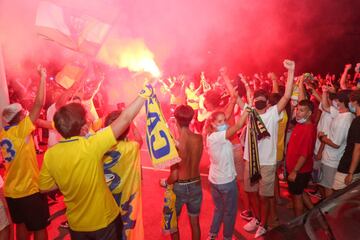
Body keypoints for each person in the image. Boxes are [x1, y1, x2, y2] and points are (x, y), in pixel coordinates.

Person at [38, 78, 154, 240]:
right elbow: (125, 118)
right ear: (82, 125)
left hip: (76, 224)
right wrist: (147, 90)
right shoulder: (92, 145)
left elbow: (44, 188)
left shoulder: (50, 154)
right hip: (104, 221)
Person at [242, 60, 295, 238]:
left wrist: (291, 71)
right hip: (250, 160)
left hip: (267, 163)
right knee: (250, 192)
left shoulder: (273, 113)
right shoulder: (250, 111)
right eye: (256, 100)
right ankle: (257, 219)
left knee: (265, 196)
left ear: (267, 102)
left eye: (261, 100)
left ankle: (264, 224)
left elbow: (286, 96)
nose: (258, 102)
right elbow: (244, 96)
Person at [0, 66, 49, 240]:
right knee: (40, 227)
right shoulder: (21, 131)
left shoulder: (3, 133)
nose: (26, 114)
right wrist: (42, 77)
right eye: (23, 113)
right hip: (28, 190)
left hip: (12, 191)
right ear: (20, 118)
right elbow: (39, 103)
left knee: (21, 225)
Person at [205, 107, 248, 240]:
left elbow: (226, 117)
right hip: (226, 181)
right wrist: (247, 107)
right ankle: (227, 237)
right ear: (212, 123)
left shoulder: (211, 135)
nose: (224, 123)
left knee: (219, 208)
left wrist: (233, 99)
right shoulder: (218, 137)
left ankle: (212, 234)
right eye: (220, 122)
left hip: (215, 180)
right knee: (230, 212)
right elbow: (239, 125)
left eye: (224, 121)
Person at [163, 105, 203, 240]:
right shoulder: (199, 139)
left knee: (173, 224)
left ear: (176, 120)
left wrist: (164, 182)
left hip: (179, 186)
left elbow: (174, 175)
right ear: (191, 119)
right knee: (195, 224)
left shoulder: (175, 145)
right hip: (196, 184)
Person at [318, 90, 354, 197]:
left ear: (341, 101)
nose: (335, 101)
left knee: (329, 188)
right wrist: (324, 92)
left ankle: (328, 212)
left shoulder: (345, 119)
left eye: (337, 99)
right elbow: (325, 107)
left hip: (332, 160)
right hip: (330, 158)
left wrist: (322, 137)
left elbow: (336, 144)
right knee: (326, 186)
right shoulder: (340, 113)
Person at [286, 100, 316, 216]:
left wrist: (294, 171)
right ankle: (314, 213)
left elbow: (304, 154)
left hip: (299, 171)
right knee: (300, 192)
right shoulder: (300, 124)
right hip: (295, 169)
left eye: (302, 110)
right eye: (298, 109)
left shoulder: (308, 130)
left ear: (309, 113)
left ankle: (298, 224)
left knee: (297, 197)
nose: (298, 112)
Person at [333, 90, 360, 190]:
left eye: (350, 101)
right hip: (356, 166)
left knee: (335, 198)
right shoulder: (355, 118)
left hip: (348, 166)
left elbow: (358, 149)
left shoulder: (357, 122)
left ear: (355, 102)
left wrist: (350, 173)